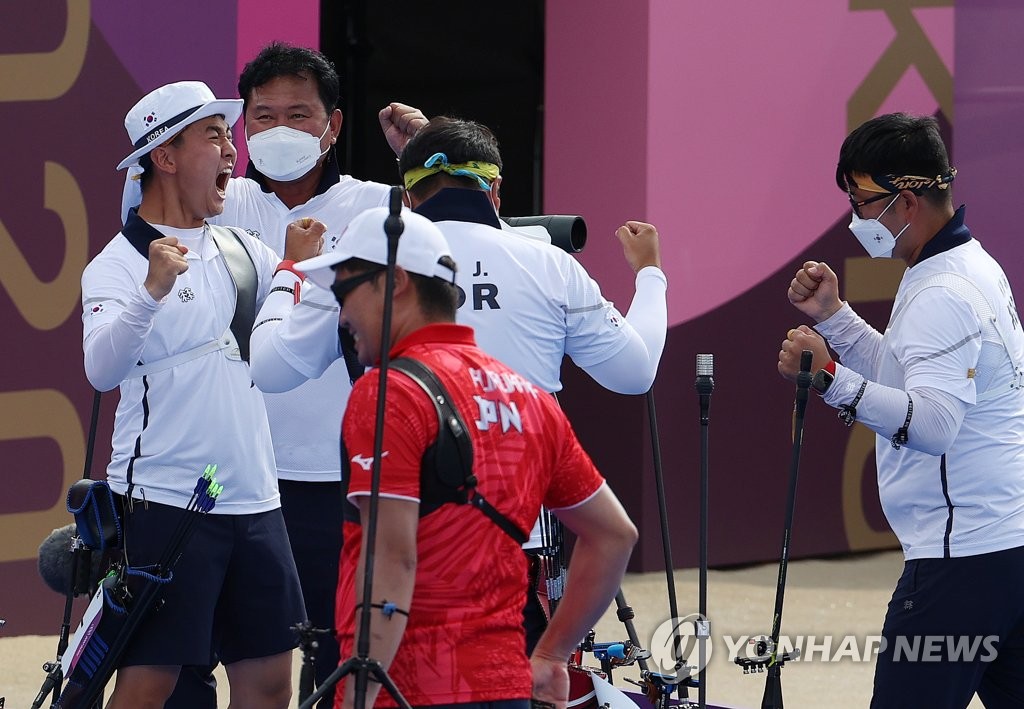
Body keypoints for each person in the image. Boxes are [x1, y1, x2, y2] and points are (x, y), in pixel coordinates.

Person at [248, 115, 666, 650]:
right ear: (495, 189)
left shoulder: (369, 259)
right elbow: (635, 375)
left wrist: (289, 273)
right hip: (514, 540)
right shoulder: (550, 264)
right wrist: (650, 276)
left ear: (406, 196)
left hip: (390, 542)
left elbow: (271, 369)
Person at [133, 42, 426, 708]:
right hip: (221, 476)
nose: (280, 130)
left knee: (328, 653)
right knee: (190, 655)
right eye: (262, 116)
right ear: (238, 131)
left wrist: (427, 154)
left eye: (300, 114)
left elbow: (468, 246)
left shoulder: (385, 205)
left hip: (335, 474)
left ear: (334, 126)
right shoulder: (213, 202)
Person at [293, 207, 639, 709]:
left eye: (345, 292)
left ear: (395, 284)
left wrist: (359, 696)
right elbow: (614, 535)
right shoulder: (528, 397)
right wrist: (551, 655)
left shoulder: (389, 392)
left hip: (407, 688)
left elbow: (391, 558)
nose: (342, 315)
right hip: (505, 687)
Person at [82, 80, 319, 708]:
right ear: (164, 155)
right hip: (164, 501)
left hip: (258, 500)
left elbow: (311, 317)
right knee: (149, 685)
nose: (231, 151)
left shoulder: (245, 247)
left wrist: (298, 269)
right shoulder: (117, 264)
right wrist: (151, 289)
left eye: (226, 136)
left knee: (270, 682)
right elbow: (102, 369)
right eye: (213, 135)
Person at [779, 112, 1024, 708]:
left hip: (960, 561)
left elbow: (934, 425)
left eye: (861, 200)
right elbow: (910, 370)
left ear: (907, 199)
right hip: (1005, 549)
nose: (855, 216)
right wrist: (836, 319)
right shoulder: (966, 264)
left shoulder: (941, 291)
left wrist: (829, 378)